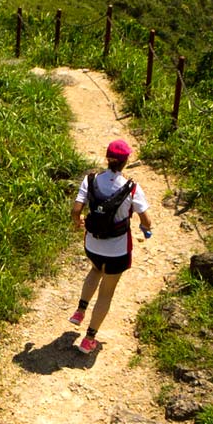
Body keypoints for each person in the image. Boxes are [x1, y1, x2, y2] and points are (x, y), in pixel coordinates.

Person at [69, 138, 152, 354]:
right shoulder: (132, 188)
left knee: (96, 269)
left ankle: (80, 310)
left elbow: (76, 209)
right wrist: (146, 229)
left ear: (107, 158)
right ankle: (89, 339)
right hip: (117, 251)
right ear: (125, 162)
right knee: (106, 293)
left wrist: (78, 222)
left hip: (93, 245)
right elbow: (146, 219)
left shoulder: (91, 180)